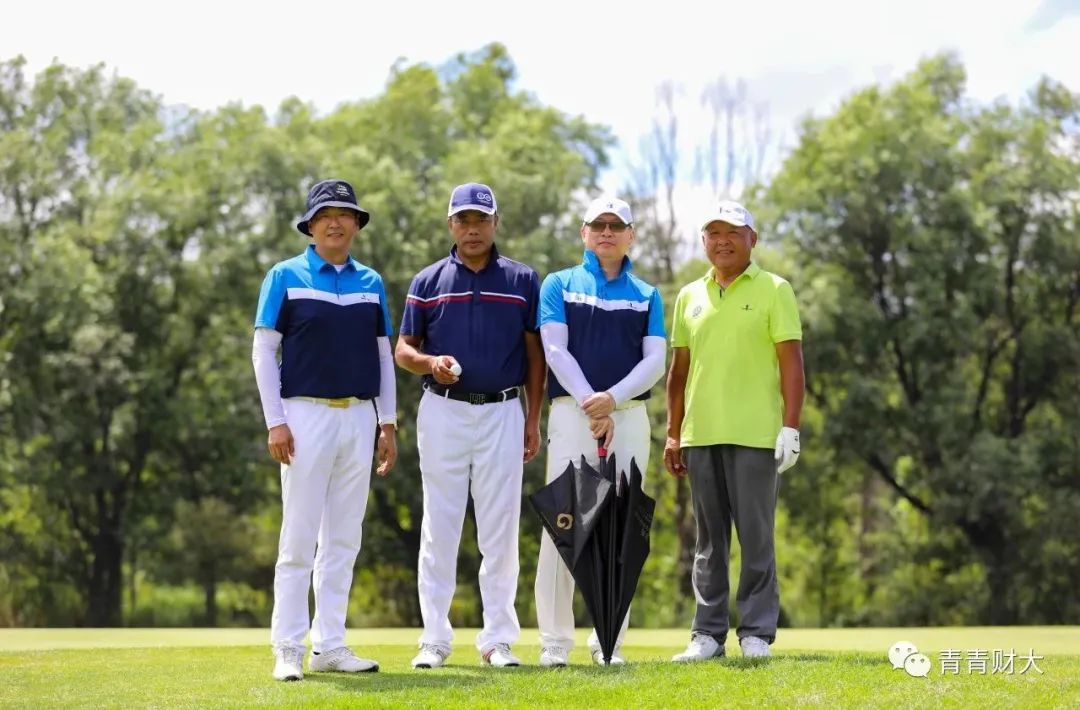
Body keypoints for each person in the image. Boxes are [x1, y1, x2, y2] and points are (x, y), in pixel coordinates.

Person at [252, 179, 398, 682]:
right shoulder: (284, 275)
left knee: (344, 539)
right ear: (310, 226)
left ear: (356, 224)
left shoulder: (371, 282)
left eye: (344, 214)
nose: (335, 222)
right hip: (303, 415)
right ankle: (289, 647)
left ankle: (330, 644)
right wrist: (275, 420)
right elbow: (263, 351)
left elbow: (383, 357)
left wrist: (388, 422)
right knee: (298, 538)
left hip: (359, 416)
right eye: (324, 215)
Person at [395, 182, 544, 669]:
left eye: (481, 220)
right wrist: (430, 362)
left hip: (504, 410)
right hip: (443, 410)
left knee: (500, 529)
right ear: (451, 225)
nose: (473, 229)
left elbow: (535, 356)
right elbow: (403, 350)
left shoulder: (523, 280)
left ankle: (497, 639)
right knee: (440, 525)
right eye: (464, 220)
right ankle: (434, 639)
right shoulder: (427, 281)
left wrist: (533, 418)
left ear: (496, 223)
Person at [665, 200, 804, 662]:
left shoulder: (775, 289)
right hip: (701, 434)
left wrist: (791, 427)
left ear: (752, 239)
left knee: (756, 538)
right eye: (714, 233)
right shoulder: (689, 296)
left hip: (756, 435)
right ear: (704, 241)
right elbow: (678, 373)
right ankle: (707, 635)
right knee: (708, 542)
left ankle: (756, 633)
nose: (723, 241)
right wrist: (673, 432)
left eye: (733, 233)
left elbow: (792, 364)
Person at [534, 196, 667, 667]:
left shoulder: (647, 294)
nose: (606, 231)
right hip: (573, 414)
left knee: (620, 527)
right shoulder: (559, 283)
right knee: (564, 524)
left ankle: (608, 642)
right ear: (584, 232)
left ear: (631, 235)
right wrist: (593, 401)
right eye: (598, 224)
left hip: (628, 416)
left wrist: (611, 399)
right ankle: (554, 642)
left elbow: (656, 360)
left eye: (616, 225)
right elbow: (555, 350)